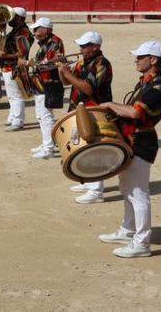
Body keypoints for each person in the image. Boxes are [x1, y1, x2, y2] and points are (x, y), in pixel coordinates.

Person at [98, 41, 161, 258]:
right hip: (130, 140)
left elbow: (135, 113)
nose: (136, 59)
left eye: (141, 56)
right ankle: (128, 230)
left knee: (138, 194)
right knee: (127, 190)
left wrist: (109, 104)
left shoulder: (158, 87)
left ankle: (141, 243)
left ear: (154, 60)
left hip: (141, 143)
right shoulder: (145, 83)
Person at [56, 31, 113, 204]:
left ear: (96, 47)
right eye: (80, 46)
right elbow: (67, 82)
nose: (81, 49)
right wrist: (62, 70)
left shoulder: (102, 64)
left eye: (84, 46)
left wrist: (68, 72)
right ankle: (90, 182)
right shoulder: (83, 62)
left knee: (93, 147)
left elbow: (88, 89)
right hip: (78, 108)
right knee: (81, 146)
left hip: (94, 110)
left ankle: (97, 191)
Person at [20, 18, 64, 159]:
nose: (34, 32)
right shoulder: (46, 42)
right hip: (40, 84)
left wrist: (26, 63)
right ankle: (46, 144)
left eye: (36, 29)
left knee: (46, 116)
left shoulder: (55, 42)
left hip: (48, 84)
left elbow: (46, 64)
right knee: (40, 116)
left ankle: (49, 148)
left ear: (45, 29)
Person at [0, 7, 33, 132]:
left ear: (18, 18)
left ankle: (18, 121)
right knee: (11, 95)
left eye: (11, 17)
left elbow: (22, 54)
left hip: (15, 68)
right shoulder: (16, 30)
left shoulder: (24, 33)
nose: (9, 20)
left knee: (16, 95)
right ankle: (12, 117)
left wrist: (4, 55)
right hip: (8, 66)